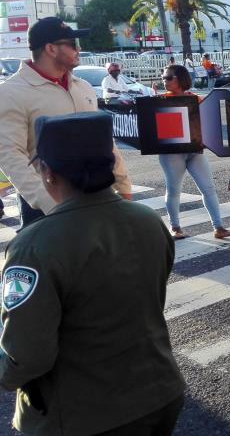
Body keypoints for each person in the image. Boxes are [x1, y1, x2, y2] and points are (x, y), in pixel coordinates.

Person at [0, 111, 184, 435]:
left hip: (82, 415)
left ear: (48, 173)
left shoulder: (33, 246)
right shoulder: (147, 220)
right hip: (159, 393)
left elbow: (27, 357)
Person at [0, 17, 132, 229]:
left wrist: (123, 184)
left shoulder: (83, 87)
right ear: (51, 48)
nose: (78, 49)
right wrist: (52, 205)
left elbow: (104, 140)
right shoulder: (10, 93)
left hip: (98, 196)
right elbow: (10, 155)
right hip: (48, 209)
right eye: (72, 44)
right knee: (51, 261)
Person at [159, 64, 230, 240]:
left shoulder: (198, 99)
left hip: (195, 151)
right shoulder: (158, 101)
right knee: (173, 189)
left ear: (181, 79)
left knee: (208, 188)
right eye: (163, 77)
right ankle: (175, 227)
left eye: (168, 77)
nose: (164, 81)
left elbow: (213, 121)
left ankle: (218, 227)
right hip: (172, 153)